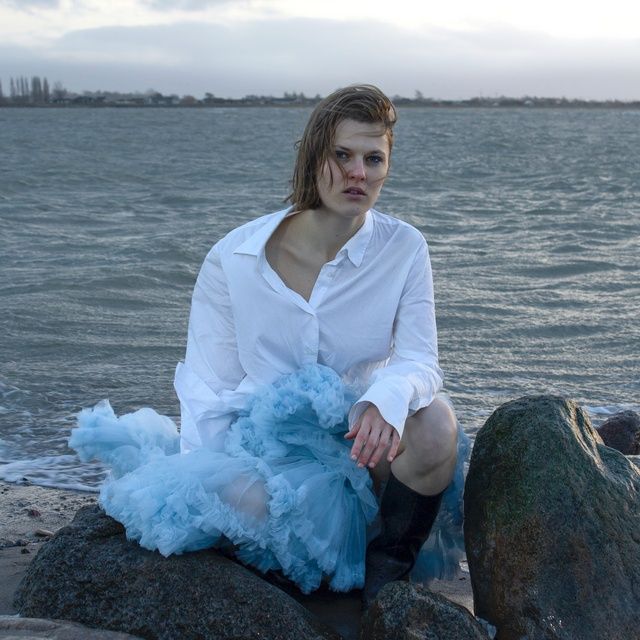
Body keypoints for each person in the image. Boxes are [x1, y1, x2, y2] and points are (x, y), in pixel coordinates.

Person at [70, 84, 462, 607]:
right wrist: (198, 482)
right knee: (240, 502)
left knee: (436, 426)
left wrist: (384, 398)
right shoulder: (235, 258)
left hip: (363, 445)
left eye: (373, 159)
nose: (358, 173)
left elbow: (419, 359)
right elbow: (209, 384)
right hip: (272, 453)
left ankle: (387, 576)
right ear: (313, 157)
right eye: (342, 155)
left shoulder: (405, 248)